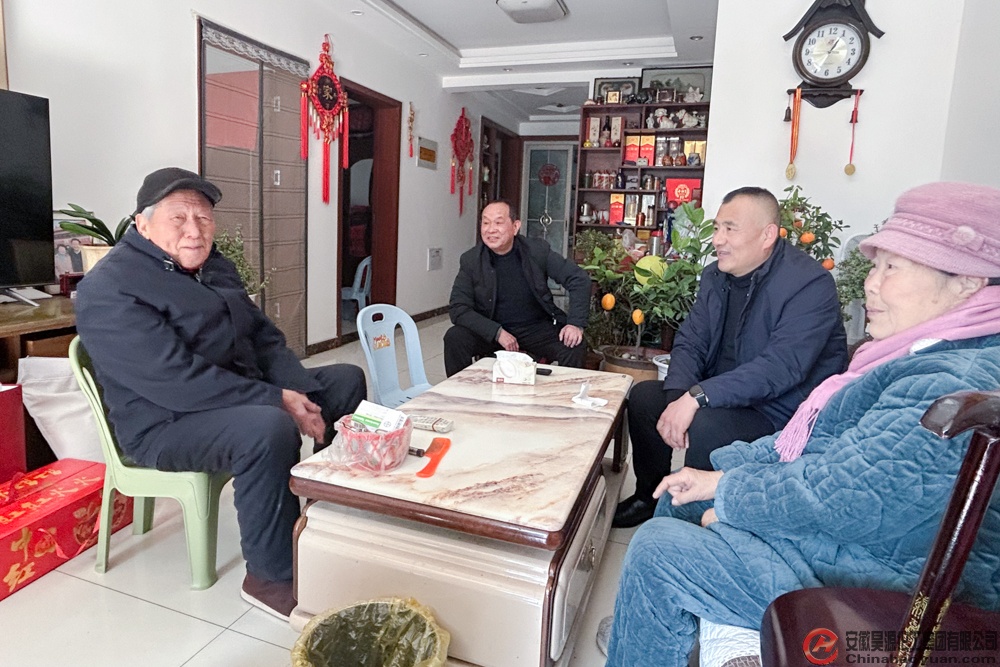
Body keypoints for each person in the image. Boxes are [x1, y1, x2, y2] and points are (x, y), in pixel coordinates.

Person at [603, 182, 1000, 666]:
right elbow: (692, 340)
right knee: (677, 482)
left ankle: (655, 615)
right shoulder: (916, 351)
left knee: (657, 550)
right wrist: (696, 427)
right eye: (875, 266)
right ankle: (657, 624)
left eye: (891, 268)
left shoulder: (950, 378)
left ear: (967, 282)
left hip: (880, 577)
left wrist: (728, 490)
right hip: (854, 527)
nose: (870, 284)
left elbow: (841, 490)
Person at [75, 167, 366, 620]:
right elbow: (176, 381)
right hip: (165, 422)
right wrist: (276, 400)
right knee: (265, 429)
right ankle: (269, 577)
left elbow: (263, 338)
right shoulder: (109, 288)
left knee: (345, 379)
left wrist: (295, 388)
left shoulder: (213, 267)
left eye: (204, 218)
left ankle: (324, 516)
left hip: (233, 392)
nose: (194, 230)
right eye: (178, 218)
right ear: (142, 224)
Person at [614, 186, 848, 529]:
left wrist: (697, 397)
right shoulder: (716, 276)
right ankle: (648, 497)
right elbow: (691, 340)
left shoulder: (809, 284)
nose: (718, 240)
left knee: (708, 424)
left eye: (730, 229)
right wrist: (678, 398)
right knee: (646, 398)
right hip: (724, 391)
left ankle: (692, 520)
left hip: (778, 409)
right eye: (717, 228)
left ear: (767, 234)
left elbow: (781, 368)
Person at [444, 200, 590, 376]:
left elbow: (578, 278)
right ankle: (461, 390)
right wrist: (496, 332)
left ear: (515, 227)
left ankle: (564, 392)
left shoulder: (536, 251)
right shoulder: (471, 260)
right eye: (486, 223)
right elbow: (458, 308)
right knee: (455, 337)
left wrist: (575, 324)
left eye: (498, 222)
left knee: (573, 345)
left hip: (535, 328)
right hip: (492, 328)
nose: (490, 229)